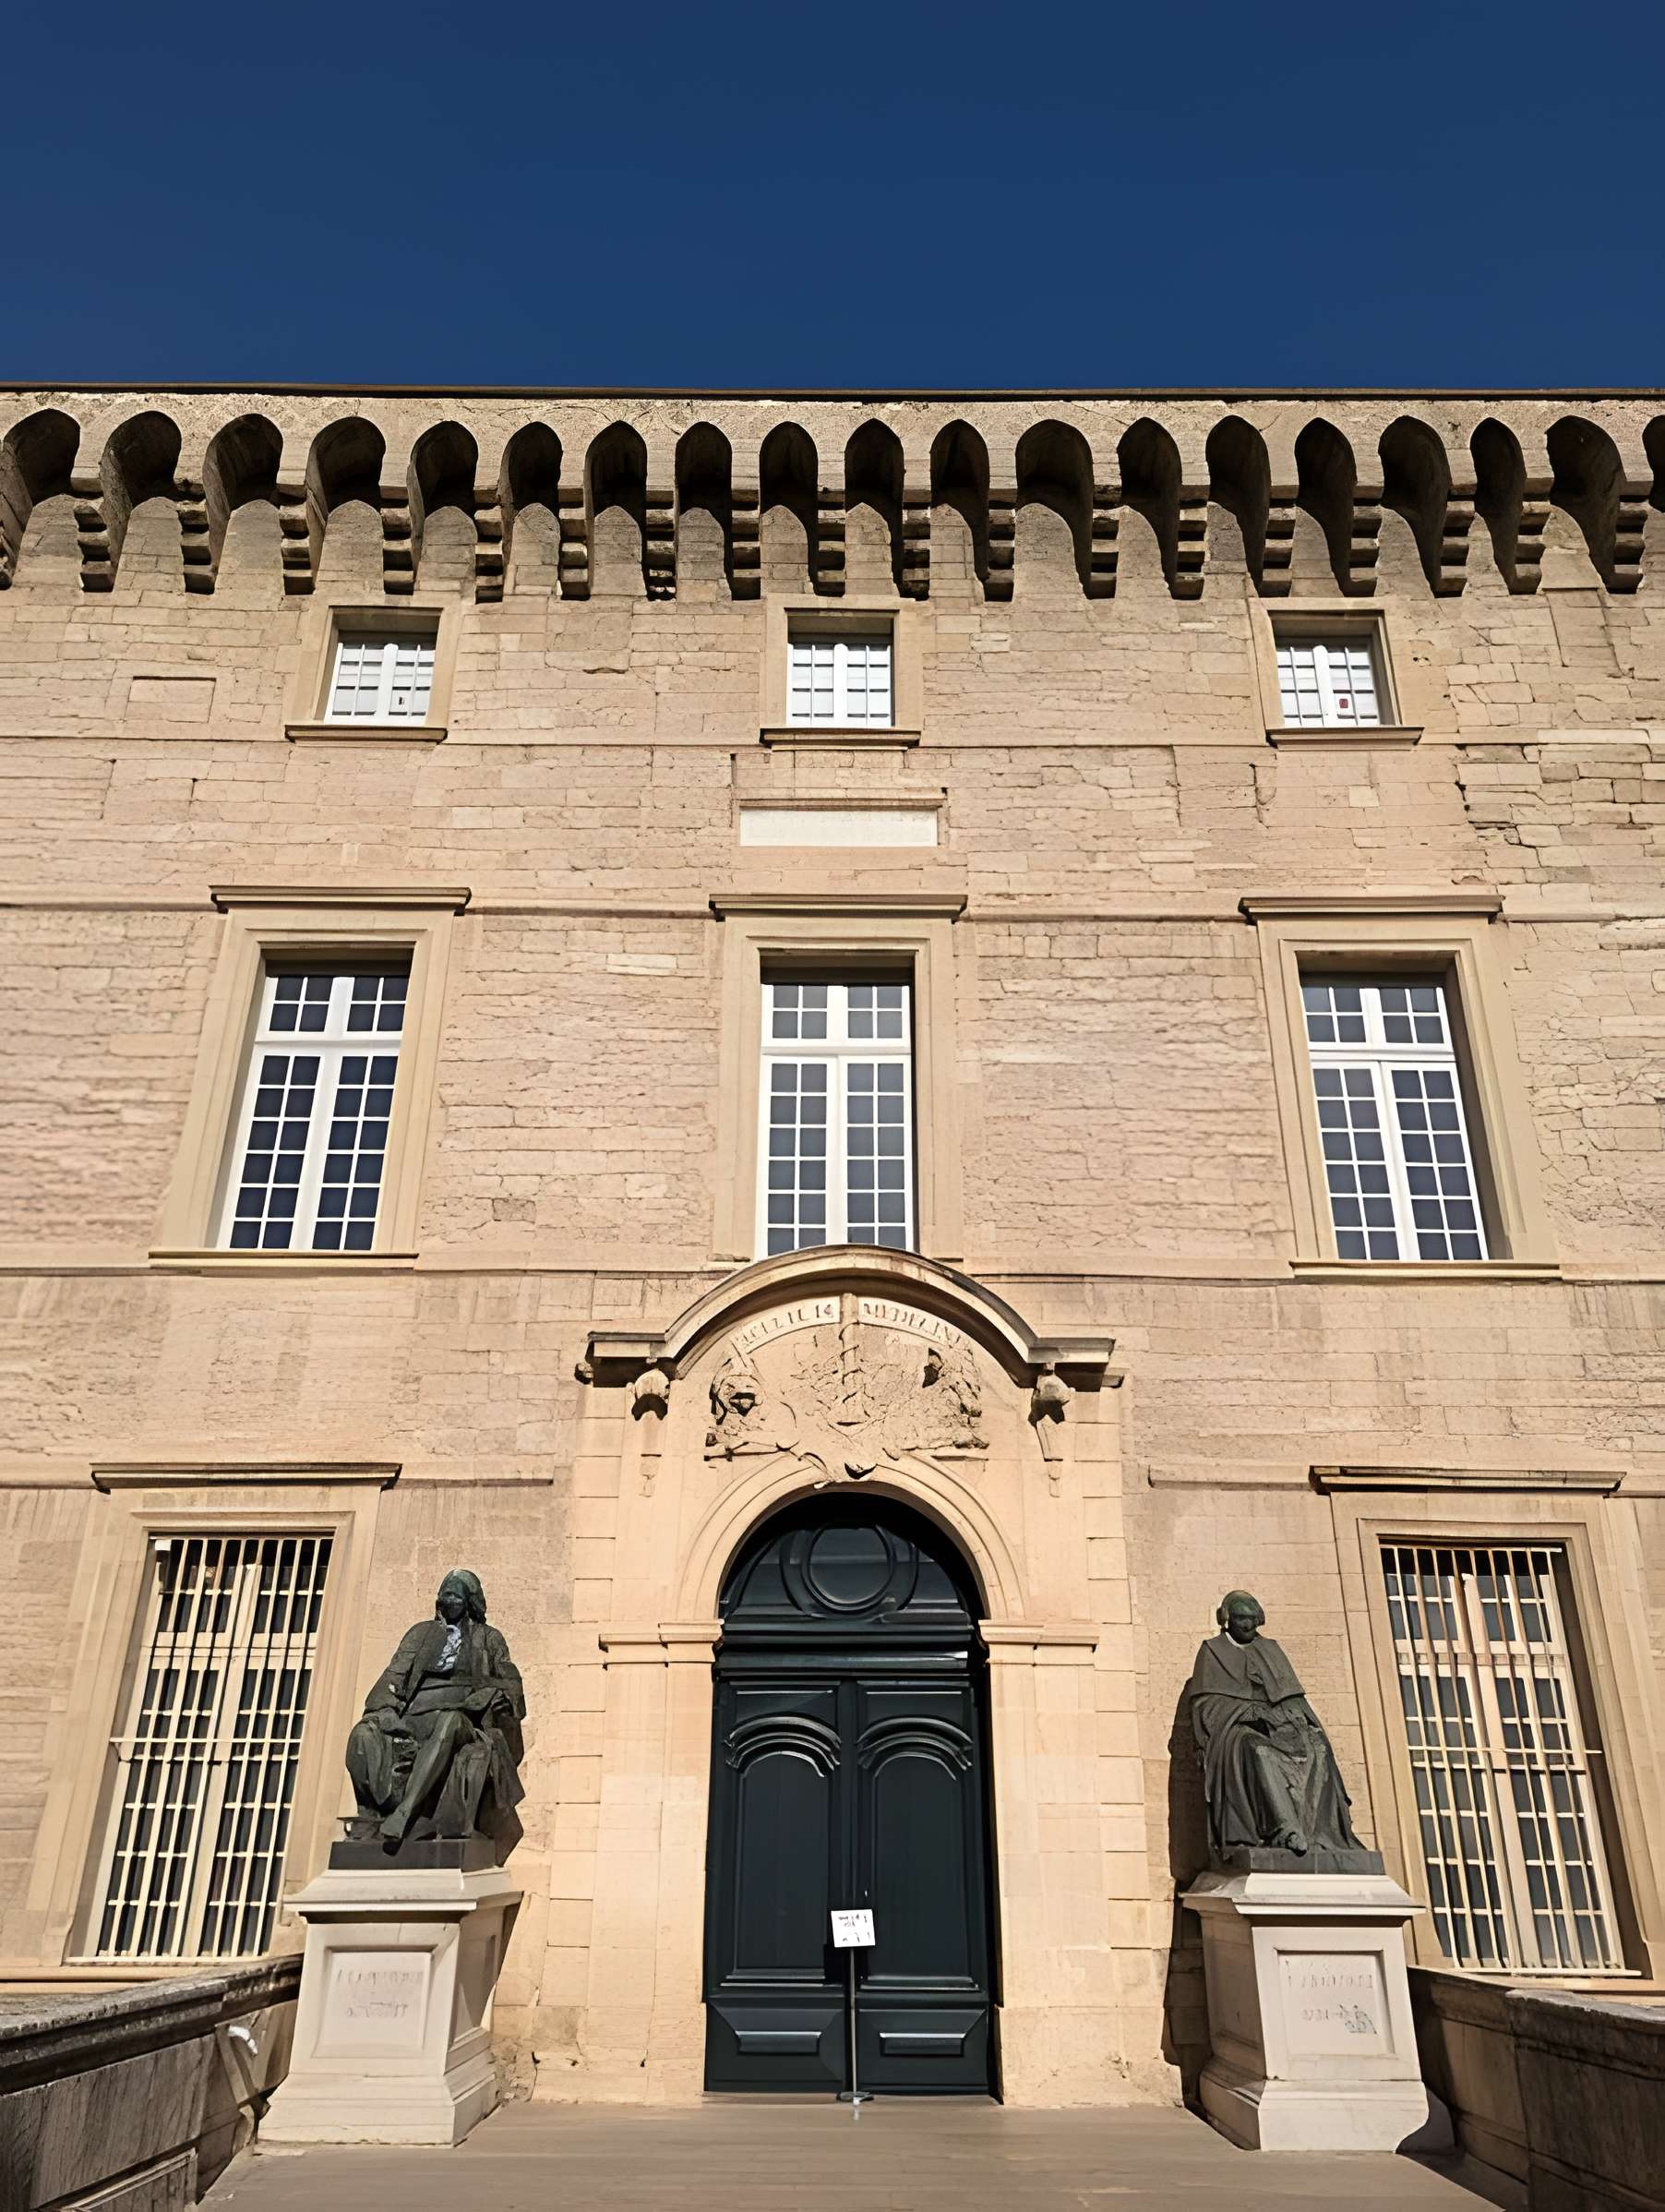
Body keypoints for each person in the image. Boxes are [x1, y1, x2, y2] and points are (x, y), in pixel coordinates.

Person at [344, 1569, 525, 1858]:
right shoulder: (421, 1633)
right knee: (363, 1733)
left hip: (463, 1718)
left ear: (470, 1601)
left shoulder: (489, 1638)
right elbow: (395, 1674)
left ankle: (406, 1813)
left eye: (455, 1594)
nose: (447, 1600)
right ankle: (378, 1813)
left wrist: (503, 1698)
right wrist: (382, 1712)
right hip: (414, 1716)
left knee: (449, 1721)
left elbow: (510, 1680)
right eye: (445, 1594)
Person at [1187, 1590, 1364, 1859]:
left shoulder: (1271, 1650)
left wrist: (1298, 1720)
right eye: (1239, 1618)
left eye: (1251, 1618)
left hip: (1280, 1728)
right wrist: (1249, 1711)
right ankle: (1284, 1829)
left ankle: (1325, 1832)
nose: (1246, 1624)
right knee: (1259, 1751)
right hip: (1236, 1734)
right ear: (1227, 1619)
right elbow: (1206, 1708)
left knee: (1318, 1747)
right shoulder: (1212, 1651)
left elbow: (1293, 1698)